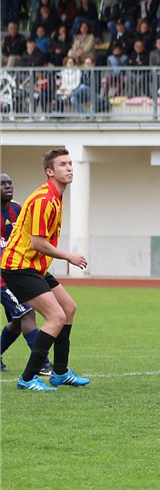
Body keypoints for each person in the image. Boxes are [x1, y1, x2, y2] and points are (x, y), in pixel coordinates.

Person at [0, 149, 89, 391]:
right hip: (18, 267)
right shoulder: (44, 199)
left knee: (68, 308)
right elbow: (37, 243)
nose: (69, 168)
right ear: (50, 171)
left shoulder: (56, 197)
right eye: (63, 164)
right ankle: (28, 378)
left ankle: (60, 372)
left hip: (34, 266)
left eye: (70, 163)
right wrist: (69, 256)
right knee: (56, 316)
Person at [1, 174, 53, 374]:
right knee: (26, 313)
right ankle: (43, 364)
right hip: (3, 277)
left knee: (17, 321)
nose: (8, 186)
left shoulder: (17, 208)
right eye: (2, 184)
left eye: (9, 183)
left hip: (15, 272)